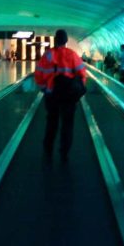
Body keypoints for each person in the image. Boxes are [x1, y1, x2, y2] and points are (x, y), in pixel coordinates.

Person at [35, 29, 87, 162]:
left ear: (55, 40)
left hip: (51, 94)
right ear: (66, 41)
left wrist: (44, 88)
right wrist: (77, 90)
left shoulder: (47, 55)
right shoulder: (72, 55)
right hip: (69, 96)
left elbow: (39, 74)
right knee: (67, 124)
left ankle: (48, 150)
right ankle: (64, 152)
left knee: (52, 122)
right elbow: (82, 74)